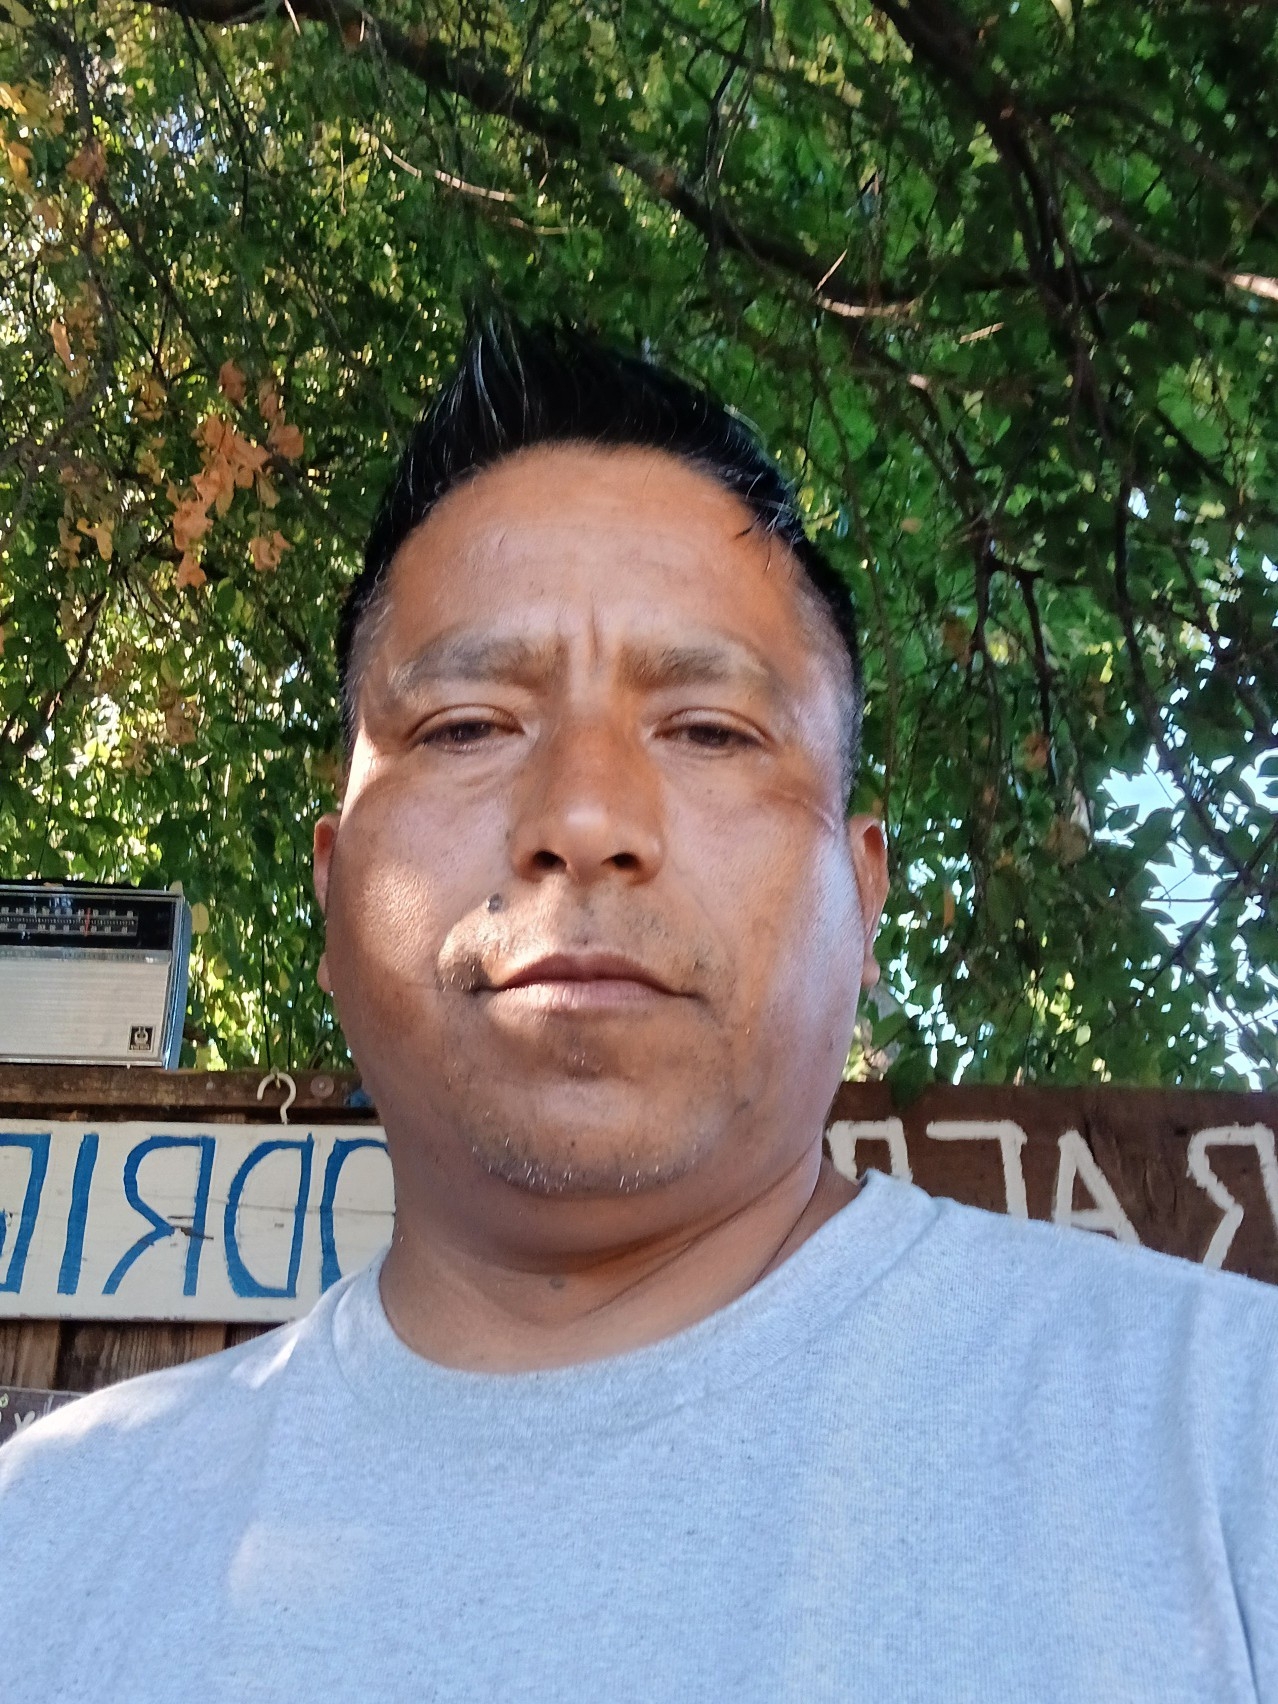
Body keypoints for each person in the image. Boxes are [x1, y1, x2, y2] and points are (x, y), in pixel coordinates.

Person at [2, 320, 1275, 1703]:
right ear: (333, 887)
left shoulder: (1225, 1445)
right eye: (467, 726)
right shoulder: (45, 1541)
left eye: (710, 730)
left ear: (862, 899)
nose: (585, 816)